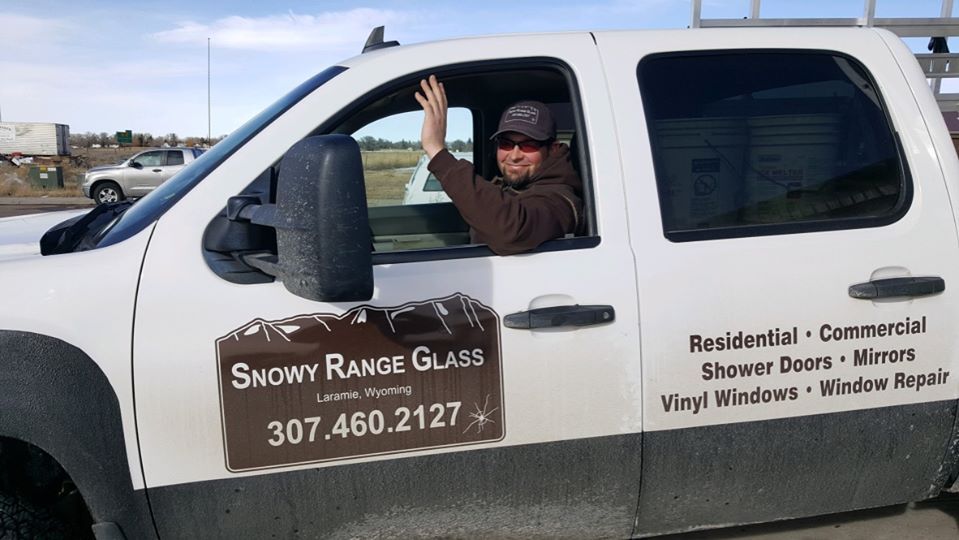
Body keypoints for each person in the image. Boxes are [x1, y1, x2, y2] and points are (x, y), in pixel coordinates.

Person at [415, 75, 583, 255]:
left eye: (529, 145)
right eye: (506, 144)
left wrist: (437, 151)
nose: (515, 155)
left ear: (553, 149)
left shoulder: (561, 201)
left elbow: (511, 230)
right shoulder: (508, 187)